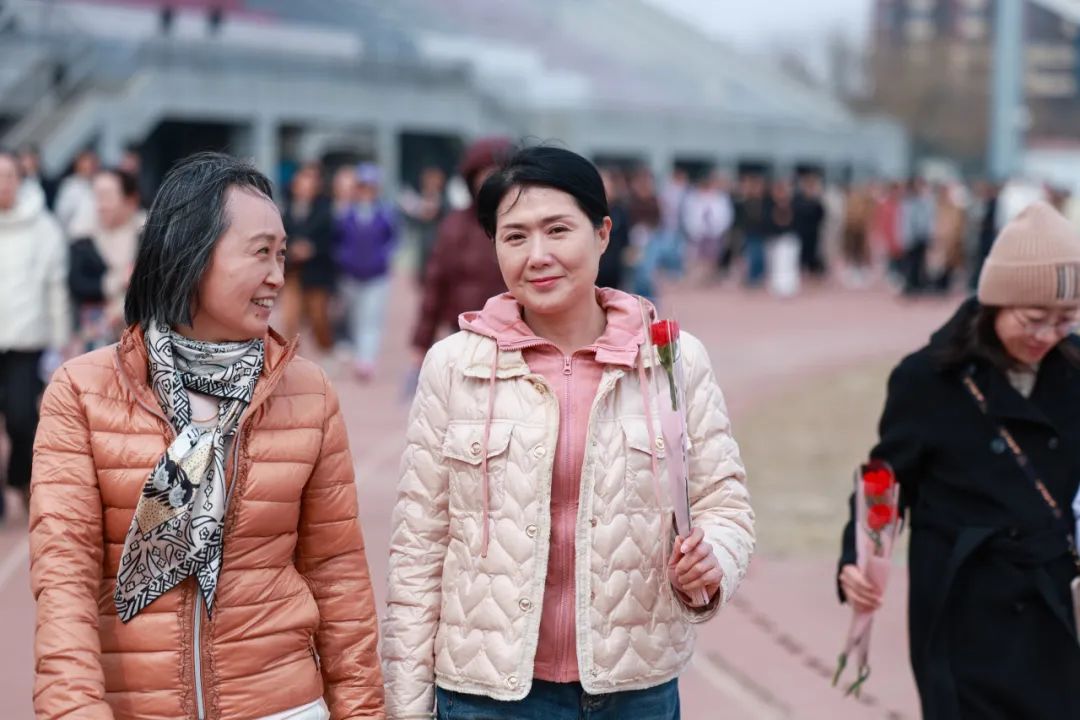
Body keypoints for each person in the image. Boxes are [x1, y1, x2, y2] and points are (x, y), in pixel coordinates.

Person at [382, 146, 754, 719]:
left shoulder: (671, 359)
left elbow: (723, 503)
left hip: (635, 691)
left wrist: (713, 562)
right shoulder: (454, 366)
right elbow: (419, 547)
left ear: (602, 234)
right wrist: (406, 708)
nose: (538, 256)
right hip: (487, 696)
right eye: (515, 236)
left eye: (558, 230)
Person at [29, 152, 384, 719]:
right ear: (190, 253)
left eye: (282, 254)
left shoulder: (309, 393)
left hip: (282, 704)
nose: (277, 275)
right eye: (260, 252)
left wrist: (361, 711)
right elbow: (64, 581)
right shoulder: (83, 391)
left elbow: (337, 576)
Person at [837, 201, 1080, 719]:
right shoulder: (929, 378)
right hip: (962, 605)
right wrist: (857, 559)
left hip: (1054, 603)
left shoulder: (1075, 370)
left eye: (1065, 321)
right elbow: (885, 479)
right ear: (996, 302)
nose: (1047, 336)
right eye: (1033, 319)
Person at [0, 149, 69, 518]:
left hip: (27, 339)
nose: (3, 184)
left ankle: (20, 479)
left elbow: (56, 287)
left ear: (20, 179)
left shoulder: (44, 227)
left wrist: (59, 342)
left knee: (21, 419)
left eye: (8, 176)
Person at [410, 137, 511, 359]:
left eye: (498, 173)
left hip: (516, 333)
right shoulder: (455, 225)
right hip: (466, 331)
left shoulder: (525, 222)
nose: (490, 180)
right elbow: (436, 283)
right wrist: (422, 339)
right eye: (484, 173)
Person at [68, 167, 145, 351]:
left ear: (130, 199)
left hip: (140, 333)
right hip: (94, 335)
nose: (101, 205)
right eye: (97, 196)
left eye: (108, 196)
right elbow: (77, 283)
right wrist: (114, 282)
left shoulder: (148, 233)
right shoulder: (82, 236)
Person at [335, 162, 397, 381]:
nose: (366, 191)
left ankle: (366, 360)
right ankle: (355, 350)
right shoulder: (345, 214)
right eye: (363, 186)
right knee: (353, 317)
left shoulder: (385, 214)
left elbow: (394, 240)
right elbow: (336, 240)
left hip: (377, 277)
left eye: (371, 187)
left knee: (371, 318)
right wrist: (343, 258)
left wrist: (384, 257)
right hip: (350, 276)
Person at [281, 161, 336, 350]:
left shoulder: (326, 210)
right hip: (292, 272)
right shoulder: (285, 208)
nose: (307, 184)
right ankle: (291, 358)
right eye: (303, 178)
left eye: (312, 180)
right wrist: (291, 249)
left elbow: (332, 241)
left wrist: (312, 249)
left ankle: (327, 350)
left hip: (317, 274)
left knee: (318, 317)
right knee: (290, 318)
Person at [398, 164, 448, 283]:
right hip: (421, 255)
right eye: (429, 180)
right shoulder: (417, 202)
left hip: (441, 254)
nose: (431, 184)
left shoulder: (446, 202)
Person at [54, 148, 100, 236]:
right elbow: (62, 216)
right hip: (76, 235)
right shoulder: (69, 186)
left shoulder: (102, 183)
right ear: (78, 165)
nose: (89, 167)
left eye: (93, 163)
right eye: (85, 163)